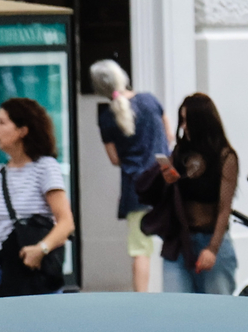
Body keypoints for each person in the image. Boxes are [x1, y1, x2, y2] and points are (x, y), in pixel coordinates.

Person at [0, 97, 71, 300]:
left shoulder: (45, 167)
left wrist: (41, 249)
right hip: (1, 273)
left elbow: (66, 222)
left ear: (22, 131)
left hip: (36, 273)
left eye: (2, 122)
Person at [142, 93, 240, 294]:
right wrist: (168, 181)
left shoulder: (225, 156)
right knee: (177, 309)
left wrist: (212, 249)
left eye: (188, 121)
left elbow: (224, 208)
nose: (184, 126)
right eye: (182, 120)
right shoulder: (180, 151)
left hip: (211, 238)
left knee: (217, 311)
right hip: (180, 241)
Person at [91, 60, 169, 292]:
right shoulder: (150, 101)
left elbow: (115, 159)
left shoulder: (106, 117)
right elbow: (170, 136)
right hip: (166, 180)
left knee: (140, 250)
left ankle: (142, 303)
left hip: (136, 189)